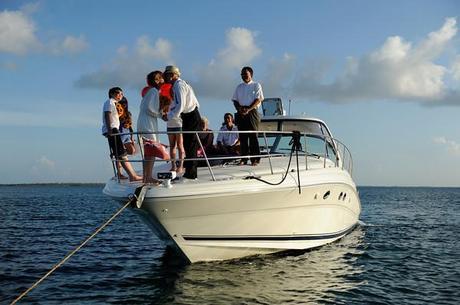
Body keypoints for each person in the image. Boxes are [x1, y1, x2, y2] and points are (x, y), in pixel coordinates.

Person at [164, 65, 201, 179]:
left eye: (168, 74)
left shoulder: (178, 86)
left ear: (173, 75)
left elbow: (181, 105)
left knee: (190, 146)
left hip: (191, 117)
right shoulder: (181, 84)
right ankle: (190, 172)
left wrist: (169, 116)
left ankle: (191, 173)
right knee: (188, 145)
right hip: (189, 116)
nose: (166, 77)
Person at [102, 87, 142, 181]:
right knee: (121, 154)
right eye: (118, 93)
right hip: (112, 129)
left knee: (120, 154)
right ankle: (132, 176)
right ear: (112, 94)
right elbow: (107, 115)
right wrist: (110, 130)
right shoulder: (109, 102)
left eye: (122, 94)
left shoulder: (115, 103)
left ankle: (131, 176)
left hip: (114, 129)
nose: (120, 95)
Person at [232, 66, 264, 166]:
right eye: (242, 74)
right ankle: (244, 158)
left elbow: (258, 99)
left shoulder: (256, 85)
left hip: (252, 112)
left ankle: (255, 159)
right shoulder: (239, 87)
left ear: (251, 74)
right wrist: (240, 109)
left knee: (253, 136)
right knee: (243, 137)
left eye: (245, 74)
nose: (244, 76)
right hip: (241, 112)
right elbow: (235, 100)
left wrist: (248, 109)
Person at [137, 71, 164, 184]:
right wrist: (161, 115)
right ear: (157, 80)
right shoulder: (153, 91)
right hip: (148, 123)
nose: (163, 80)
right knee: (151, 151)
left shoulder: (149, 92)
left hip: (144, 122)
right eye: (162, 78)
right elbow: (150, 108)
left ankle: (146, 176)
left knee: (148, 152)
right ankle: (148, 177)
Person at [162, 83, 185, 174]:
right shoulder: (166, 102)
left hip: (179, 124)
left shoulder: (178, 101)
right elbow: (163, 114)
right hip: (170, 125)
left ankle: (181, 166)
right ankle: (173, 166)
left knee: (180, 145)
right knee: (172, 146)